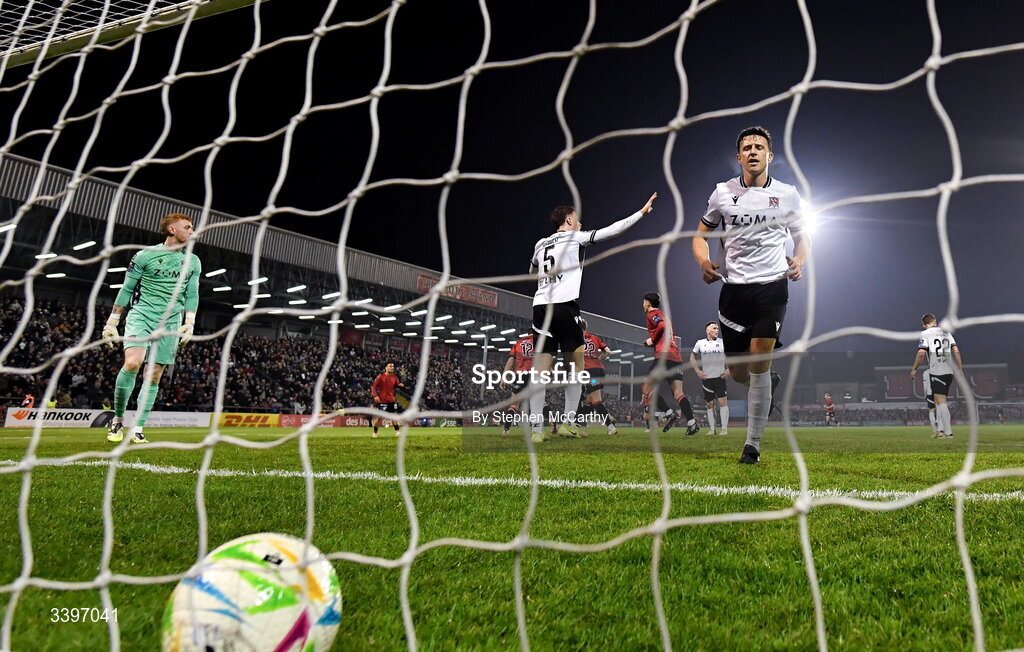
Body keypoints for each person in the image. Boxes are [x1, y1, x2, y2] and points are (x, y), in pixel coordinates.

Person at [691, 126, 811, 464]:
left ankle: (752, 446)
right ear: (739, 156)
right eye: (747, 147)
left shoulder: (788, 194)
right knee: (741, 372)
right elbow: (699, 235)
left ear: (770, 155)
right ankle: (766, 379)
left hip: (772, 288)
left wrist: (799, 260)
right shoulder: (721, 194)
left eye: (759, 146)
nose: (753, 151)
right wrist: (703, 261)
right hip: (733, 292)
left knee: (758, 361)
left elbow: (803, 237)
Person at [529, 193, 657, 443]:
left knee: (540, 371)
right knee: (576, 368)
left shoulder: (540, 243)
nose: (580, 224)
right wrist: (640, 214)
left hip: (540, 306)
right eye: (577, 220)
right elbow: (611, 232)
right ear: (568, 220)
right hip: (564, 306)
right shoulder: (575, 237)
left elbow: (533, 268)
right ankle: (567, 424)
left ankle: (536, 430)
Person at [102, 213, 200, 443]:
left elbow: (192, 293)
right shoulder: (145, 255)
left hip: (172, 321)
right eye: (188, 227)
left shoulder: (193, 261)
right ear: (172, 230)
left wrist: (190, 322)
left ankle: (137, 428)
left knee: (153, 376)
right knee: (132, 363)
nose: (192, 231)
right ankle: (117, 421)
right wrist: (112, 321)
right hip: (142, 314)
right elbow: (127, 289)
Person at [641, 292, 699, 435]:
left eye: (643, 302)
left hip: (663, 356)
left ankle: (668, 413)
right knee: (678, 393)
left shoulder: (652, 313)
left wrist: (652, 340)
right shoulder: (662, 313)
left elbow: (662, 325)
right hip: (676, 357)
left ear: (648, 302)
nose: (643, 304)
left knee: (646, 389)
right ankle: (692, 424)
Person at [910, 313, 963, 439]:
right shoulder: (946, 332)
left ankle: (948, 433)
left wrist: (914, 369)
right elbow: (956, 351)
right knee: (941, 402)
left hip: (937, 371)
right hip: (949, 371)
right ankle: (941, 430)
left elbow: (921, 353)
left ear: (924, 325)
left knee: (940, 401)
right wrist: (960, 369)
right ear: (935, 321)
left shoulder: (925, 334)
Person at [690, 321, 729, 435]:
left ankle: (724, 429)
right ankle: (712, 429)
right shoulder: (700, 343)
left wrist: (729, 370)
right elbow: (692, 358)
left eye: (717, 328)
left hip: (720, 378)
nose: (717, 330)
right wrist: (697, 371)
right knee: (709, 405)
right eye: (714, 328)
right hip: (707, 379)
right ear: (708, 331)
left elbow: (733, 356)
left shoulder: (722, 342)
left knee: (722, 402)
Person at [580, 320, 617, 435]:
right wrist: (597, 360)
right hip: (599, 371)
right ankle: (607, 416)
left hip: (588, 372)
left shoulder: (576, 339)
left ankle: (610, 426)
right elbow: (608, 352)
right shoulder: (594, 338)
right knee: (591, 401)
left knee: (595, 400)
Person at [498, 335, 535, 436]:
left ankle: (506, 430)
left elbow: (510, 362)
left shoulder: (518, 343)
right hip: (535, 376)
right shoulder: (540, 342)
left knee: (514, 405)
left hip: (520, 376)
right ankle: (545, 426)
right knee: (539, 403)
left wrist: (504, 377)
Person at [370, 362, 404, 437]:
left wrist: (399, 385)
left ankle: (397, 432)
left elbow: (396, 384)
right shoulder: (380, 376)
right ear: (385, 367)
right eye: (390, 366)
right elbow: (373, 386)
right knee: (379, 418)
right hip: (382, 400)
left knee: (393, 416)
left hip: (391, 400)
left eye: (393, 366)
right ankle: (375, 433)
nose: (392, 368)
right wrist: (375, 395)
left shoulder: (394, 377)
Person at [922, 369, 940, 436]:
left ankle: (934, 430)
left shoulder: (926, 372)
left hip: (929, 392)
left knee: (931, 410)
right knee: (939, 408)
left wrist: (925, 395)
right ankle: (940, 428)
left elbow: (925, 386)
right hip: (939, 392)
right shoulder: (940, 370)